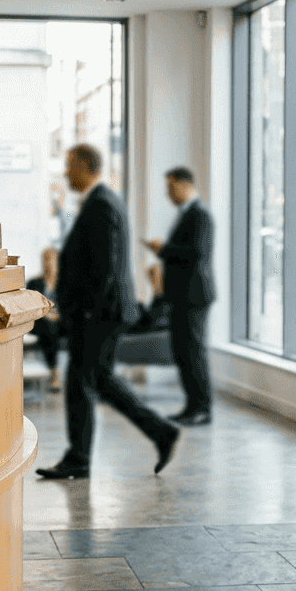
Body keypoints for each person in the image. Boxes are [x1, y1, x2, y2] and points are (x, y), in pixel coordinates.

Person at [35, 144, 181, 480]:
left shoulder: (101, 204)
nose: (66, 173)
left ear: (85, 166)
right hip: (101, 313)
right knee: (96, 379)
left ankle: (81, 457)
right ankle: (158, 433)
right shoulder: (99, 202)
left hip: (99, 314)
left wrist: (86, 312)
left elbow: (106, 267)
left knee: (82, 381)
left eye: (70, 166)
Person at [144, 166, 217, 426]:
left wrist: (164, 249)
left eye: (170, 187)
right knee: (184, 352)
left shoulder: (200, 215)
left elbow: (197, 252)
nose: (168, 193)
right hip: (181, 296)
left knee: (194, 351)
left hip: (194, 296)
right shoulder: (186, 214)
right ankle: (192, 406)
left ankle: (202, 408)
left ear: (184, 184)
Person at [26, 246, 63, 392]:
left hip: (61, 321)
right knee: (48, 328)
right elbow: (31, 307)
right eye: (45, 259)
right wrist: (48, 315)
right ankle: (55, 375)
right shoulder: (34, 283)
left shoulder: (64, 284)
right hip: (42, 322)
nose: (48, 263)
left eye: (51, 259)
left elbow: (69, 306)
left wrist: (58, 315)